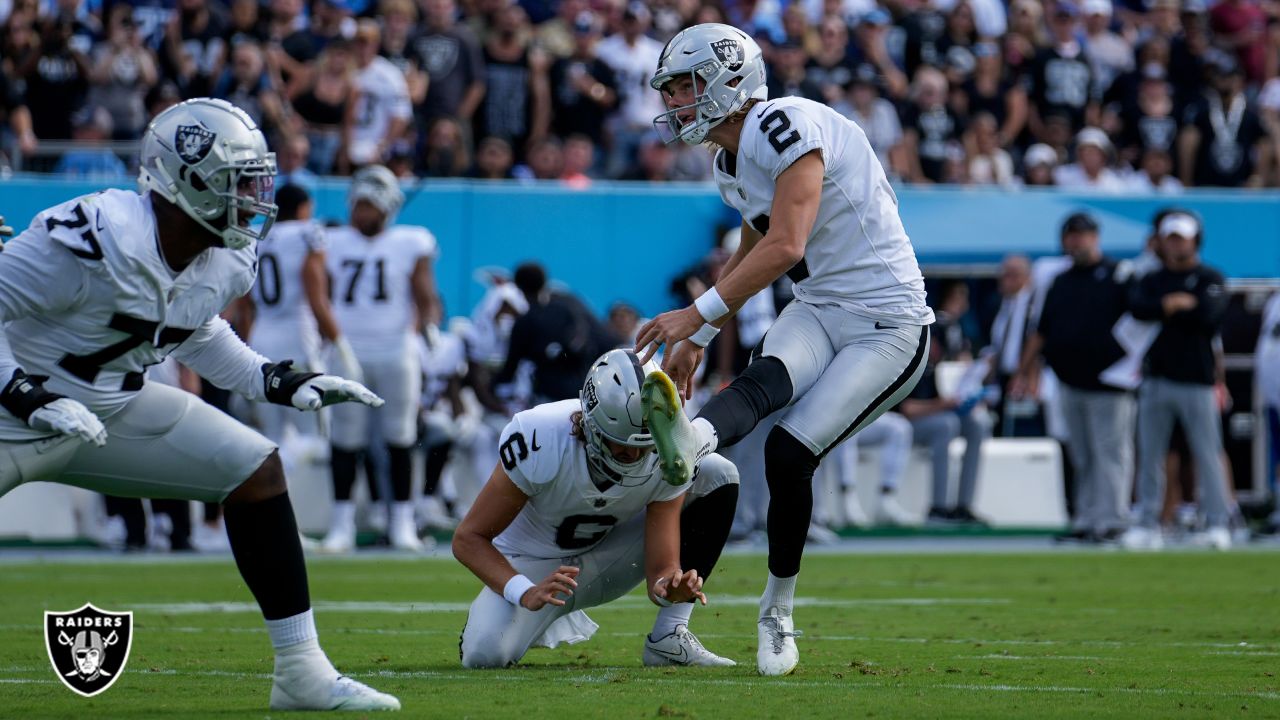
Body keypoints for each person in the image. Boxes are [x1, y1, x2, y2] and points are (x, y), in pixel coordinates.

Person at [0, 98, 397, 711]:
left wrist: (275, 380)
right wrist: (23, 393)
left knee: (256, 470)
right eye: (241, 181)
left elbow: (192, 329)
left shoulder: (226, 256)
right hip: (10, 416)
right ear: (188, 180)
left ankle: (302, 672)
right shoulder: (97, 233)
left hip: (111, 409)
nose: (256, 194)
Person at [636, 24, 933, 676]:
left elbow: (787, 245)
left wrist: (692, 314)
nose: (679, 101)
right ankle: (688, 444)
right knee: (762, 381)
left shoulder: (783, 124)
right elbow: (753, 243)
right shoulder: (729, 160)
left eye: (687, 86)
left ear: (729, 80)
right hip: (822, 306)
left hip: (890, 323)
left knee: (787, 450)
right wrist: (705, 335)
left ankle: (778, 609)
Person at [454, 349, 739, 669]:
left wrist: (670, 588)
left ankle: (669, 635)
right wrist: (523, 591)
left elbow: (661, 571)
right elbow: (468, 538)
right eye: (621, 444)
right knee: (483, 655)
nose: (633, 455)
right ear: (590, 423)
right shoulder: (541, 437)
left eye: (644, 445)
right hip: (529, 566)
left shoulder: (667, 450)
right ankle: (525, 621)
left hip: (607, 558)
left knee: (716, 472)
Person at [323, 164, 439, 553]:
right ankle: (341, 524)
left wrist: (430, 332)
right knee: (345, 438)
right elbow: (319, 294)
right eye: (358, 204)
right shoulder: (331, 241)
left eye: (369, 205)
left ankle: (402, 522)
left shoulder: (411, 241)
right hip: (348, 349)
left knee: (400, 436)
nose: (361, 213)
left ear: (388, 206)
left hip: (395, 349)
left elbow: (425, 295)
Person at [1014, 212, 1134, 543]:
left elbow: (1141, 322)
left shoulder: (1118, 276)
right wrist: (1024, 371)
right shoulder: (1061, 281)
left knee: (1110, 453)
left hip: (1110, 382)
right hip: (1070, 380)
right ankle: (1086, 517)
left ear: (1095, 237)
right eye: (1070, 235)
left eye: (1081, 235)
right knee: (1082, 454)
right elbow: (1043, 330)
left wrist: (1130, 366)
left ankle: (1112, 519)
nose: (1076, 241)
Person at [1122, 211, 1234, 550]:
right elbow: (1138, 307)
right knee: (1151, 454)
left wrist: (1170, 309)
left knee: (1207, 453)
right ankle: (1148, 522)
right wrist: (1171, 305)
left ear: (1194, 241)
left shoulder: (1209, 276)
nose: (1175, 244)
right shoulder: (1153, 279)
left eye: (1181, 238)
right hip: (1156, 379)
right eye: (1170, 238)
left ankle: (1217, 522)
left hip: (1197, 380)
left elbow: (1209, 315)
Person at [242, 184, 353, 444]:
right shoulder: (309, 233)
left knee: (272, 437)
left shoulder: (254, 234)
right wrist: (339, 341)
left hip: (261, 337)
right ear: (303, 208)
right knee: (315, 435)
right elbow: (316, 296)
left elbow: (245, 303)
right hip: (298, 337)